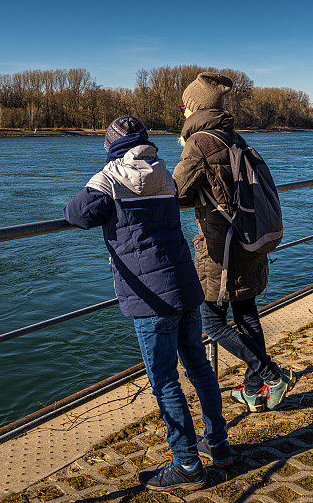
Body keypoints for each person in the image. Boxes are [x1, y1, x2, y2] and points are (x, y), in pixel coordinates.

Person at [63, 115, 232, 491]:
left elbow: (77, 213)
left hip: (150, 295)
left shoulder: (108, 178)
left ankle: (187, 465)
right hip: (186, 284)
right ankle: (218, 446)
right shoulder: (165, 174)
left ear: (110, 146)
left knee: (164, 380)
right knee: (198, 366)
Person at [172, 72, 295, 413]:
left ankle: (270, 375)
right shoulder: (233, 138)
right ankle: (254, 390)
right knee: (246, 313)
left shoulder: (199, 143)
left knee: (211, 321)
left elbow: (177, 192)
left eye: (185, 106)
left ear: (195, 108)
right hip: (249, 239)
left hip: (221, 249)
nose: (182, 112)